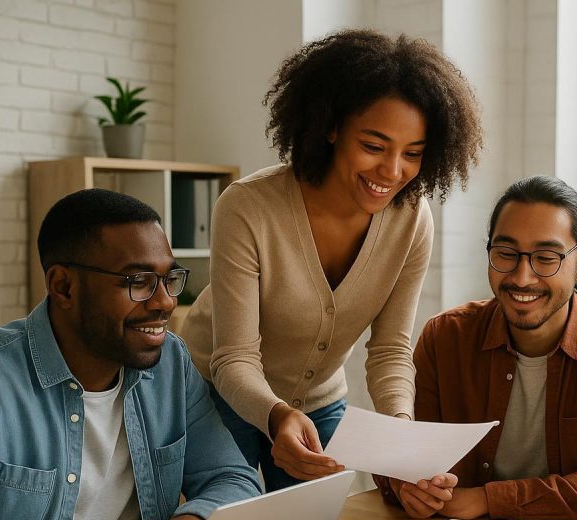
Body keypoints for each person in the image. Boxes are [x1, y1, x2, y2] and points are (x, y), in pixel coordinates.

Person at [0, 189, 262, 520]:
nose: (165, 301)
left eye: (169, 279)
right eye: (138, 282)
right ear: (63, 286)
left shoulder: (171, 364)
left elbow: (234, 480)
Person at [181, 29, 483, 492]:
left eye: (413, 154)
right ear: (331, 126)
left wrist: (401, 431)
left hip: (319, 402)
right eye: (374, 146)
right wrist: (277, 413)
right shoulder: (248, 207)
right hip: (218, 395)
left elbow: (390, 350)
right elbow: (234, 357)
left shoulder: (411, 219)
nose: (393, 171)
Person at [374, 175, 577, 520]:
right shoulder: (446, 337)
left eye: (546, 258)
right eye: (506, 254)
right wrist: (407, 485)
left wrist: (486, 500)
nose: (522, 277)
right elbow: (406, 452)